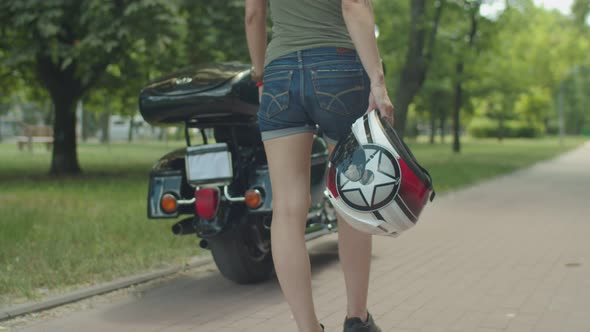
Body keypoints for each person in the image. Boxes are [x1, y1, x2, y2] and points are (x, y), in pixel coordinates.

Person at [245, 0, 394, 331]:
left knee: (286, 209)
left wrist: (260, 76)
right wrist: (377, 79)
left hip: (279, 74)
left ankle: (307, 327)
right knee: (350, 199)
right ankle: (357, 319)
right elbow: (353, 5)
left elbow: (254, 15)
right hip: (338, 68)